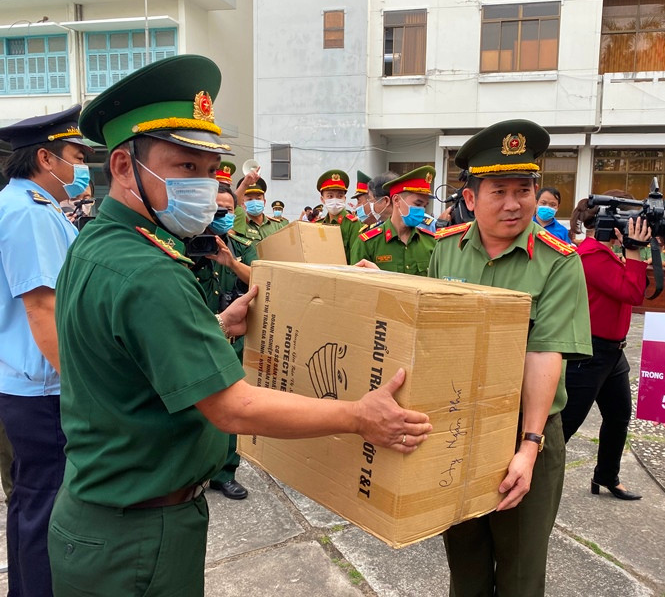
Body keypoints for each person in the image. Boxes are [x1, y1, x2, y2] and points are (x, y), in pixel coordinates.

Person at [48, 55, 432, 596]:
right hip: (139, 537)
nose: (205, 187)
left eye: (210, 171)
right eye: (185, 168)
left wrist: (216, 326)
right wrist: (359, 416)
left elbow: (127, 351)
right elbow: (233, 407)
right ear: (121, 167)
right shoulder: (149, 271)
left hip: (99, 519)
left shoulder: (98, 243)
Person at [429, 119, 592, 597]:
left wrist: (529, 445)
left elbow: (544, 352)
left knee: (521, 570)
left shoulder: (560, 260)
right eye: (498, 190)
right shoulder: (446, 250)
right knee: (465, 560)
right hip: (459, 423)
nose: (514, 203)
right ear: (471, 198)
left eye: (524, 189)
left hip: (527, 426)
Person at [0, 104, 92, 596]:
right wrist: (82, 389)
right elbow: (41, 308)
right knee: (45, 505)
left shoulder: (32, 206)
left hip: (30, 382)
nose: (80, 167)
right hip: (42, 387)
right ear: (45, 158)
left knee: (32, 501)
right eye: (76, 156)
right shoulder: (28, 213)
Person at [561, 193, 651, 501]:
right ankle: (530, 478)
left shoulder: (608, 253)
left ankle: (606, 475)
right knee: (565, 424)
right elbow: (632, 292)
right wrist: (634, 250)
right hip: (589, 353)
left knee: (618, 416)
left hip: (613, 352)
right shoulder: (591, 256)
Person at [191, 183, 256, 500]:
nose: (222, 216)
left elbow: (262, 281)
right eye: (215, 209)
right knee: (196, 407)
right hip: (198, 336)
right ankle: (195, 470)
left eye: (227, 210)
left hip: (235, 339)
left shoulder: (244, 246)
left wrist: (230, 262)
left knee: (234, 404)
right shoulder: (186, 245)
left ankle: (225, 472)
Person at [351, 166, 436, 274]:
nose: (422, 210)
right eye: (417, 204)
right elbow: (355, 287)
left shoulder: (431, 243)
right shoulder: (368, 243)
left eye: (425, 205)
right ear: (396, 200)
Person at [316, 169, 361, 263]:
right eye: (330, 196)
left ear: (344, 198)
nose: (335, 200)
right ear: (322, 199)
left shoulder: (352, 224)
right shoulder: (318, 225)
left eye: (339, 196)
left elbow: (356, 259)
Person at [233, 177, 283, 242]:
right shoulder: (239, 224)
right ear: (243, 203)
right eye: (250, 199)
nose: (254, 202)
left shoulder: (277, 226)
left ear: (264, 202)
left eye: (258, 199)